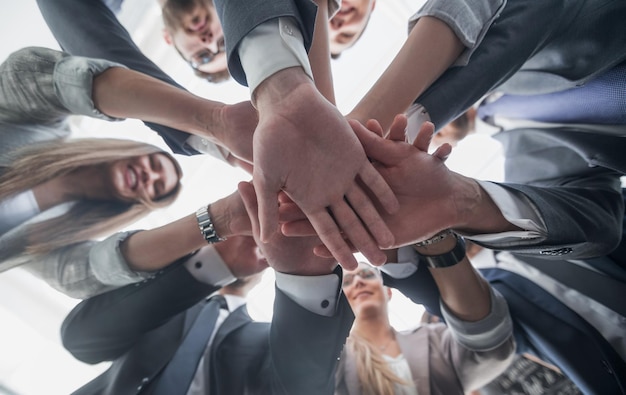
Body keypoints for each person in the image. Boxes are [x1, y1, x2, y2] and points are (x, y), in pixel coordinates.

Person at [0, 46, 261, 298]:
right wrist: (215, 121)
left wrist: (222, 218)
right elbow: (30, 75)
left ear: (137, 204)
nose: (151, 177)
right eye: (154, 165)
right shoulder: (37, 128)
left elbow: (89, 275)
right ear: (128, 150)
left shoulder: (57, 238)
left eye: (157, 189)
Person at [61, 209, 353, 394]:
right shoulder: (162, 314)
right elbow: (82, 339)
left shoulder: (270, 338)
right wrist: (218, 262)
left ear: (264, 273)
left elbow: (301, 387)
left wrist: (299, 270)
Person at [336, 257, 515, 395]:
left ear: (388, 291)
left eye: (367, 275)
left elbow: (493, 349)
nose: (358, 281)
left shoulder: (435, 337)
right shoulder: (333, 356)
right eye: (347, 281)